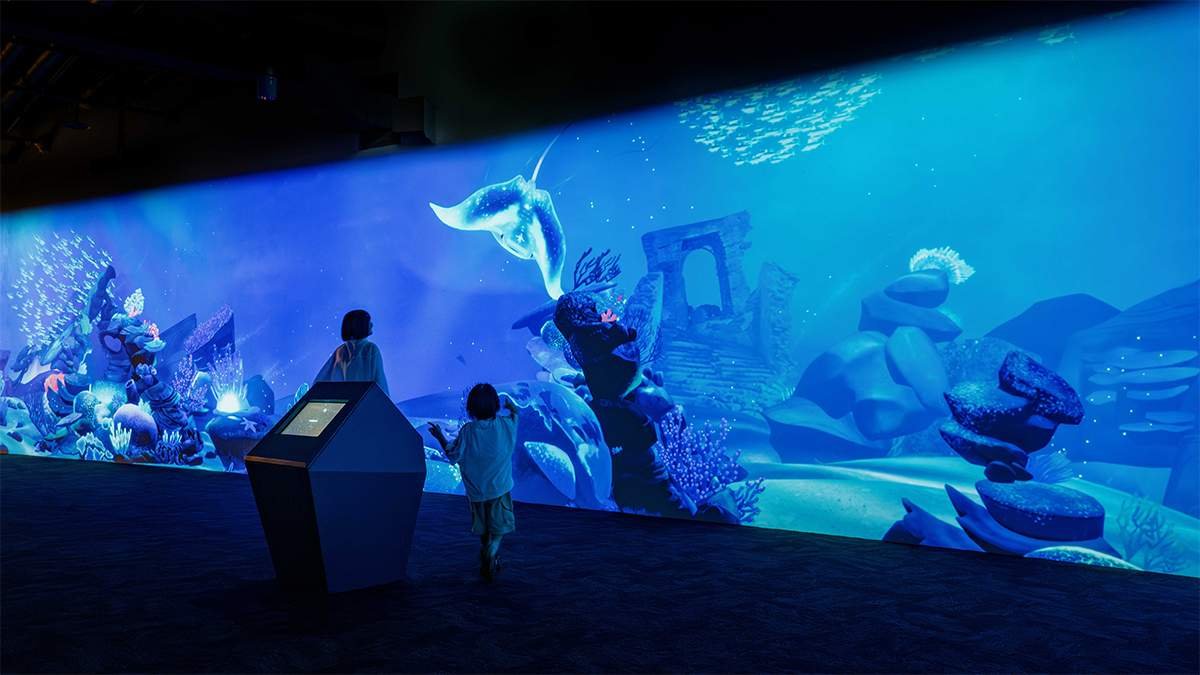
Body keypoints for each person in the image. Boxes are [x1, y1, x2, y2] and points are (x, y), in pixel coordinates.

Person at [427, 383, 519, 581]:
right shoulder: (504, 425)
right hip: (500, 490)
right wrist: (513, 409)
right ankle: (492, 551)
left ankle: (487, 552)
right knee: (499, 529)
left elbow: (453, 455)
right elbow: (514, 420)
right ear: (495, 405)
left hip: (477, 493)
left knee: (484, 529)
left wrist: (440, 436)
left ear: (470, 408)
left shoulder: (468, 431)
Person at [313, 309, 389, 396]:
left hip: (345, 400)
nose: (371, 324)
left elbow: (322, 379)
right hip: (365, 400)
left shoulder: (340, 351)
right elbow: (380, 383)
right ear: (359, 325)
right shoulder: (371, 349)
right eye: (368, 322)